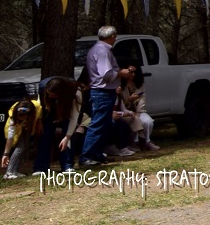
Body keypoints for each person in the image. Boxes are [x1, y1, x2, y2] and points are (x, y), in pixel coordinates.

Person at [79, 25, 122, 166]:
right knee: (98, 124)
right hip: (102, 92)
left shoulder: (97, 49)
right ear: (112, 36)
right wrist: (120, 73)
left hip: (103, 91)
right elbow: (106, 74)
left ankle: (96, 154)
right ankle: (86, 156)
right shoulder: (103, 51)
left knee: (104, 125)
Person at [34, 76, 82, 174]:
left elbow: (74, 117)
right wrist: (39, 120)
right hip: (48, 111)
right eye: (49, 94)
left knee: (68, 138)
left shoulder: (75, 91)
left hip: (67, 111)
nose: (50, 96)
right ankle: (41, 167)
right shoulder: (43, 87)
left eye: (53, 95)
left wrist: (67, 137)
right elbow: (39, 106)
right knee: (45, 136)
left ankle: (67, 165)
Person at [116, 65, 158, 152]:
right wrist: (129, 100)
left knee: (148, 121)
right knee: (134, 119)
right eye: (131, 72)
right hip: (125, 111)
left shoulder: (139, 85)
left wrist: (138, 111)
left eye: (135, 72)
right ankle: (134, 142)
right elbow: (120, 104)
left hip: (137, 110)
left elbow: (142, 99)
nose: (133, 74)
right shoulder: (120, 86)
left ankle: (147, 141)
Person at [1, 99, 40, 178]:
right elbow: (10, 137)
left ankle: (15, 171)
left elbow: (39, 118)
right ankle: (9, 172)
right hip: (17, 129)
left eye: (23, 117)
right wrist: (5, 154)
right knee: (20, 148)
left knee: (23, 148)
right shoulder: (13, 118)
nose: (21, 119)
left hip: (27, 127)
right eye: (19, 117)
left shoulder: (37, 108)